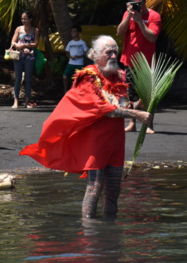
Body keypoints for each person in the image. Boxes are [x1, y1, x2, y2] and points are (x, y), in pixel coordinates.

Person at [20, 36, 152, 218]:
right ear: (95, 55)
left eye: (115, 51)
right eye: (109, 52)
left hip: (115, 142)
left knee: (114, 191)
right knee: (94, 188)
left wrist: (142, 104)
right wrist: (137, 115)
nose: (114, 55)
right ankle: (89, 233)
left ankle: (109, 234)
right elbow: (103, 109)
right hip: (95, 143)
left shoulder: (118, 76)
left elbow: (123, 106)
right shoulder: (88, 77)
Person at [117, 0, 161, 133]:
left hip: (147, 61)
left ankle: (149, 125)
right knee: (130, 95)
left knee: (148, 95)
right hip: (130, 60)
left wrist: (140, 22)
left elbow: (152, 38)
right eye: (134, 5)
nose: (138, 8)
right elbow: (119, 32)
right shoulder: (127, 14)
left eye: (139, 5)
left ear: (144, 3)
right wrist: (129, 16)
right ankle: (132, 124)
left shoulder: (154, 16)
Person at [10, 10, 39, 109]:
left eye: (26, 18)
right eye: (22, 18)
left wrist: (25, 45)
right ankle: (16, 101)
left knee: (28, 79)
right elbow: (13, 42)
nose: (24, 20)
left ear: (30, 19)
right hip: (18, 56)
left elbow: (35, 44)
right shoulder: (18, 29)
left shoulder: (35, 30)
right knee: (18, 78)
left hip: (30, 57)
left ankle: (27, 101)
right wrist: (18, 45)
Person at [63, 25, 88, 92]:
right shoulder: (70, 43)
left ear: (79, 32)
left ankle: (77, 91)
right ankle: (65, 91)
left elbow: (86, 53)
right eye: (72, 32)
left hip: (79, 63)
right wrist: (70, 57)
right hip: (71, 63)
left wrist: (79, 56)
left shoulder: (82, 43)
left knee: (78, 78)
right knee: (65, 76)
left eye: (74, 31)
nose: (73, 33)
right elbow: (67, 52)